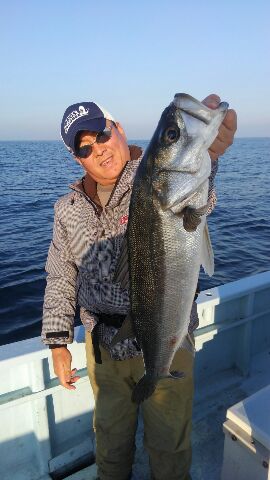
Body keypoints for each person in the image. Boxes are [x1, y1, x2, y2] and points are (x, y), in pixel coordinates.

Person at [41, 95, 237, 480]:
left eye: (101, 133)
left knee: (169, 446)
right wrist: (58, 342)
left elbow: (198, 201)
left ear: (119, 130)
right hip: (105, 347)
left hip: (171, 336)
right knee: (110, 448)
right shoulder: (67, 209)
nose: (98, 149)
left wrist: (209, 158)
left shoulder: (148, 179)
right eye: (85, 146)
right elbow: (60, 273)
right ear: (76, 157)